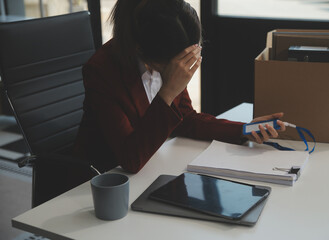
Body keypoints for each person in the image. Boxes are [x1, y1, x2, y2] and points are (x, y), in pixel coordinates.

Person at [74, 0, 286, 174]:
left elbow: (185, 119)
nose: (181, 70)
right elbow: (130, 159)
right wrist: (167, 92)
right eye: (174, 66)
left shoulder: (169, 40)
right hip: (100, 181)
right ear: (140, 49)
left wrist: (243, 130)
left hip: (153, 167)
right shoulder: (101, 71)